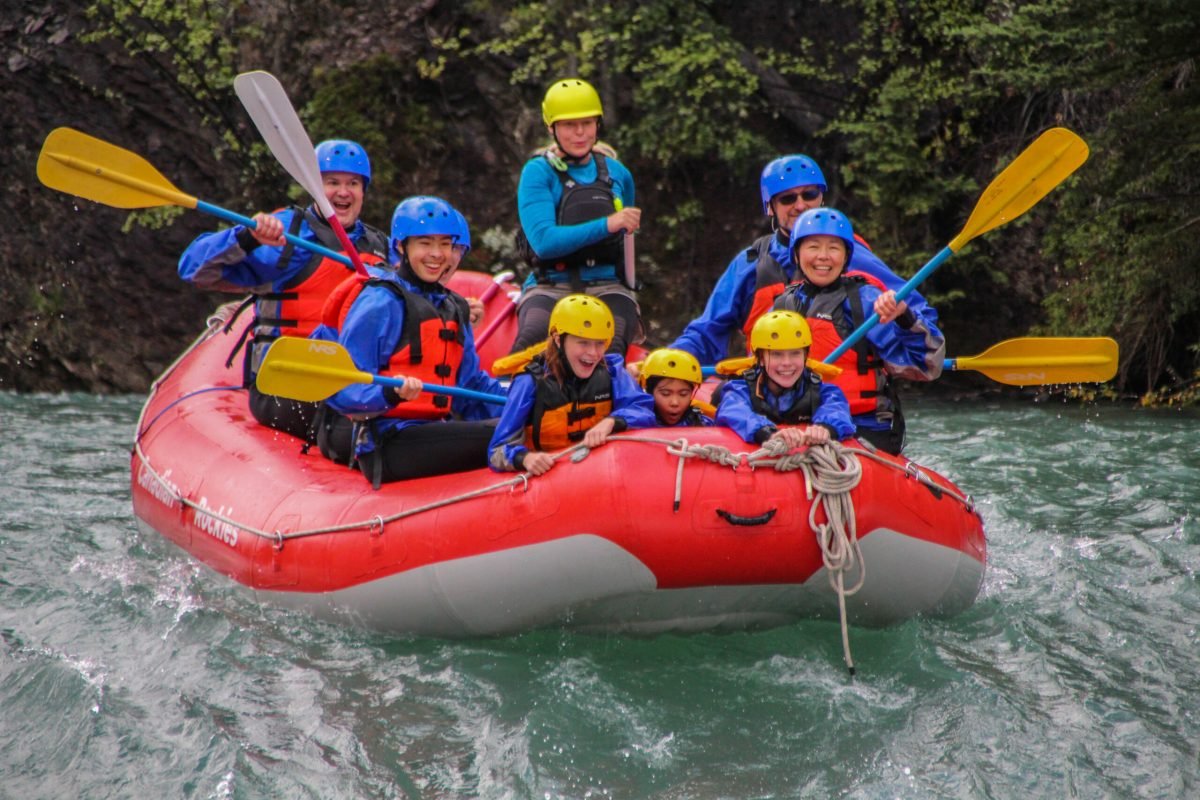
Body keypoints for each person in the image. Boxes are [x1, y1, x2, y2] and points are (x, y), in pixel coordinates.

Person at [178, 139, 390, 439]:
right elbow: (193, 269)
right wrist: (248, 238)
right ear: (314, 187)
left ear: (363, 191)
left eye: (353, 183)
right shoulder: (286, 235)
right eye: (332, 182)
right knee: (357, 414)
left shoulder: (380, 247)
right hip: (282, 387)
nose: (343, 192)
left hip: (353, 385)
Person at [668, 154, 933, 367]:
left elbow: (917, 314)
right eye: (787, 198)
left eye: (809, 194)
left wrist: (904, 320)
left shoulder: (851, 254)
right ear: (770, 207)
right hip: (772, 400)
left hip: (846, 404)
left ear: (821, 198)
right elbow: (706, 333)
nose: (800, 205)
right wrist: (670, 363)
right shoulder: (750, 264)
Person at [320, 195, 506, 486]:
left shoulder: (454, 306)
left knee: (518, 424)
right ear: (401, 246)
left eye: (445, 244)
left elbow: (471, 387)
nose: (437, 254)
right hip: (387, 441)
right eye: (425, 243)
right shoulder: (380, 302)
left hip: (433, 430)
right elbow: (342, 385)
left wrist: (522, 405)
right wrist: (388, 394)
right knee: (503, 434)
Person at [772, 208, 944, 455]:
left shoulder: (865, 302)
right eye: (813, 247)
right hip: (800, 424)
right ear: (797, 255)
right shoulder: (782, 305)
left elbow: (926, 366)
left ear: (846, 256)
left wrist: (904, 317)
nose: (823, 256)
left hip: (862, 426)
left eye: (833, 248)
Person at [509, 77, 642, 357]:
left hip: (608, 285)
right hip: (550, 286)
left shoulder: (618, 173)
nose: (580, 133)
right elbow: (544, 242)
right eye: (570, 125)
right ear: (552, 128)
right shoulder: (537, 172)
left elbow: (626, 234)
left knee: (612, 347)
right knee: (529, 347)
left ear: (597, 124)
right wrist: (608, 224)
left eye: (587, 123)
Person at [489, 294, 655, 476]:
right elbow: (497, 451)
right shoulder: (529, 382)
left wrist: (613, 421)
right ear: (558, 339)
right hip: (548, 477)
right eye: (583, 343)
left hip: (599, 472)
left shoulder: (612, 371)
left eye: (600, 343)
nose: (593, 353)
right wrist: (525, 458)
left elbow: (644, 409)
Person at [715, 310, 854, 448]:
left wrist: (825, 428)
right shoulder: (740, 389)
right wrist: (767, 433)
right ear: (761, 359)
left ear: (805, 357)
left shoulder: (822, 391)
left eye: (795, 353)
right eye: (777, 354)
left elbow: (836, 408)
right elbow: (733, 409)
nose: (787, 363)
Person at [638, 348, 714, 427]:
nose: (675, 403)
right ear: (649, 391)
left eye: (683, 394)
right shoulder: (635, 422)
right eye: (665, 394)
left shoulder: (703, 423)